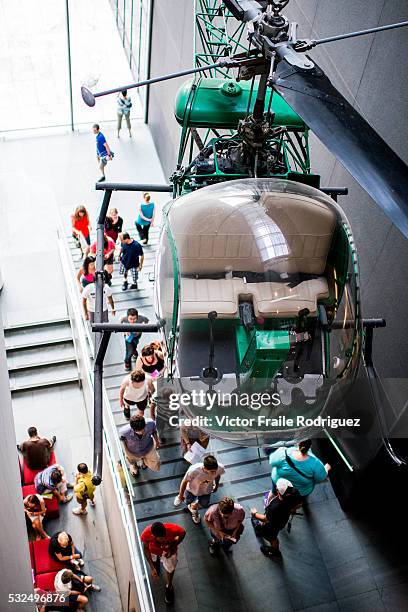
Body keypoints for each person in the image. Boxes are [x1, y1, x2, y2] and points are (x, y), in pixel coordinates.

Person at [250, 478, 303, 558]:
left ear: (278, 491)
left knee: (272, 538)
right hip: (282, 521)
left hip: (273, 526)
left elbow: (265, 519)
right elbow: (299, 504)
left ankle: (274, 551)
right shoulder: (295, 492)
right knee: (268, 531)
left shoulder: (275, 506)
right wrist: (292, 509)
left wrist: (254, 514)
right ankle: (260, 528)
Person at [141, 521, 186, 605]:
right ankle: (156, 565)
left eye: (164, 536)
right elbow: (146, 549)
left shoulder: (171, 528)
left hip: (168, 551)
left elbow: (183, 532)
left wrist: (173, 546)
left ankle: (169, 586)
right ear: (154, 536)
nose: (164, 538)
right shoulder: (146, 534)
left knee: (170, 568)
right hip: (154, 550)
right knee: (154, 562)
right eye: (161, 538)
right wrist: (152, 568)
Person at [173, 455, 225, 524]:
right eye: (212, 471)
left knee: (204, 503)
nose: (214, 473)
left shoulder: (219, 468)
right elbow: (184, 481)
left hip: (206, 490)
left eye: (215, 470)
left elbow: (218, 475)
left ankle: (193, 507)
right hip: (191, 490)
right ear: (204, 468)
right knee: (187, 501)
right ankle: (181, 498)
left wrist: (217, 485)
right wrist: (180, 495)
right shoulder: (194, 470)